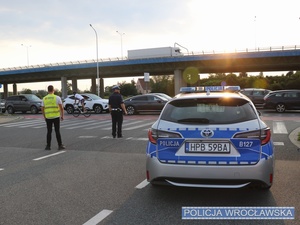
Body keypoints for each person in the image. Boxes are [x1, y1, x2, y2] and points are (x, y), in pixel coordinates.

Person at [41, 85, 66, 150]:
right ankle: (60, 145)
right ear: (53, 90)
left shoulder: (44, 98)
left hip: (48, 117)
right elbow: (61, 108)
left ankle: (48, 146)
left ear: (48, 90)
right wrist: (62, 116)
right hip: (56, 117)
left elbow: (42, 109)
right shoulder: (57, 98)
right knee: (57, 131)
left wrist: (44, 117)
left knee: (49, 132)